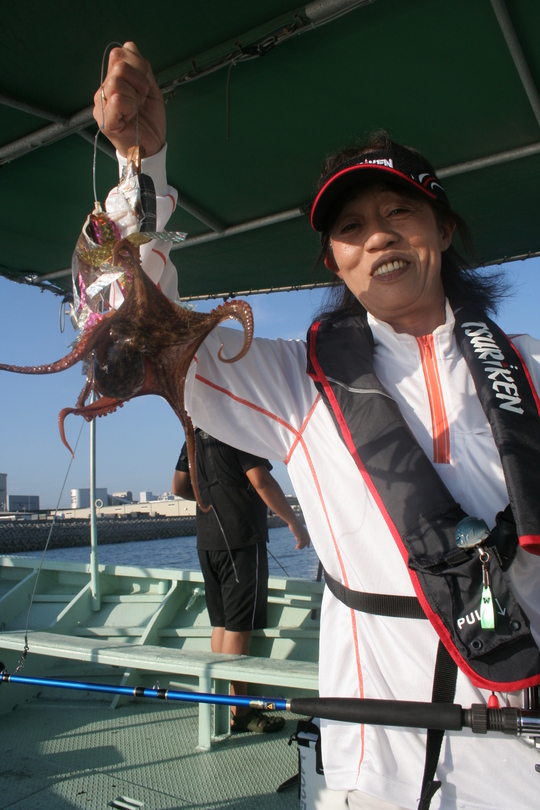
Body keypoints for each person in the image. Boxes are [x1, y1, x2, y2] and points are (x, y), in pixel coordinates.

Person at [95, 43, 540, 810]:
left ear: (441, 228)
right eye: (350, 227)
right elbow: (135, 336)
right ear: (333, 262)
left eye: (400, 211)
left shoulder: (529, 368)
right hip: (377, 767)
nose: (377, 236)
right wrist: (143, 168)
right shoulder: (291, 383)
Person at [172, 428, 310, 733]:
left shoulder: (193, 437)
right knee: (238, 628)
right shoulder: (238, 430)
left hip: (207, 543)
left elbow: (179, 486)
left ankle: (222, 706)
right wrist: (294, 523)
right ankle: (240, 712)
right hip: (240, 541)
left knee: (220, 624)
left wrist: (210, 496)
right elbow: (261, 480)